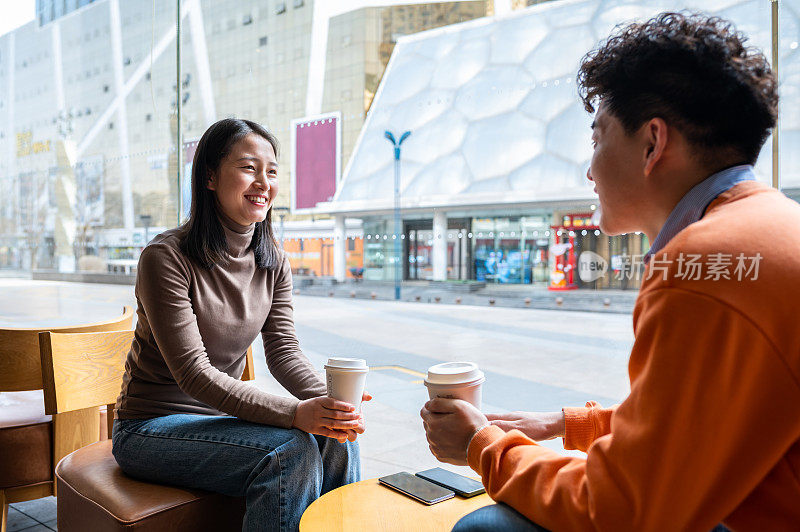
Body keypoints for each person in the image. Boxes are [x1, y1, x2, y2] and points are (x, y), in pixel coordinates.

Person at [422, 12, 800, 531]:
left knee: (485, 528)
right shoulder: (766, 228)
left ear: (652, 144)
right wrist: (567, 424)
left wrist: (481, 446)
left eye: (597, 137)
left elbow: (622, 510)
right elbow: (703, 424)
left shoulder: (704, 266)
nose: (589, 168)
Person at [112, 118, 369, 532]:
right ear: (210, 176)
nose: (263, 182)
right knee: (290, 451)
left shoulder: (273, 262)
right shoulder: (166, 257)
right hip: (149, 429)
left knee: (337, 440)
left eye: (271, 171)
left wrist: (332, 405)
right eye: (249, 167)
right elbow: (194, 374)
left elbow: (284, 352)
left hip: (219, 421)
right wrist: (295, 413)